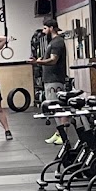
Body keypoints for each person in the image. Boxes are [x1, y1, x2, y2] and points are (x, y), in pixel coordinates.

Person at [33, 16, 68, 145]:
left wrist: (39, 62)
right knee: (54, 108)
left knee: (59, 107)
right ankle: (59, 132)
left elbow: (53, 60)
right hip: (50, 79)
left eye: (45, 28)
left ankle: (63, 135)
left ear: (51, 28)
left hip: (55, 79)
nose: (43, 31)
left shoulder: (57, 42)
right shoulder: (52, 42)